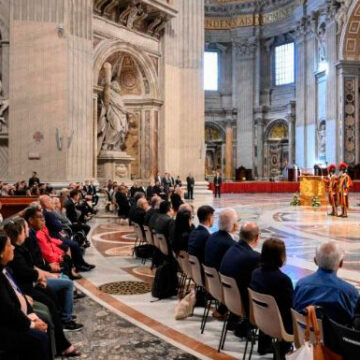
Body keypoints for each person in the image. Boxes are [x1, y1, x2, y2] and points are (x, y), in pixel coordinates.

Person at [3, 218, 82, 355]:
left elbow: (29, 270)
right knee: (48, 305)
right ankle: (62, 341)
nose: (13, 248)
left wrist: (42, 276)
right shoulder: (13, 258)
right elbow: (21, 278)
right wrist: (31, 322)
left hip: (27, 287)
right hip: (25, 290)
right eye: (25, 229)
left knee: (50, 296)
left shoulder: (21, 248)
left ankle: (61, 328)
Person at [0, 232, 51, 360]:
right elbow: (8, 309)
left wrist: (32, 316)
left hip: (19, 316)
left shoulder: (6, 269)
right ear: (0, 253)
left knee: (45, 320)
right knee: (40, 338)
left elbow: (18, 293)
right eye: (8, 245)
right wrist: (31, 324)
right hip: (7, 329)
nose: (12, 248)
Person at [293, 241, 360, 326]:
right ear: (341, 263)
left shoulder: (301, 285)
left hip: (304, 336)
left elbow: (295, 310)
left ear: (315, 261)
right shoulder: (349, 291)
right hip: (335, 338)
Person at [250, 238, 293, 356]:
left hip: (258, 318)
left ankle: (264, 345)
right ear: (281, 257)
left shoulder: (255, 273)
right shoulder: (283, 280)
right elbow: (289, 307)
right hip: (278, 325)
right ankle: (282, 348)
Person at [220, 222, 260, 315]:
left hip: (228, 298)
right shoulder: (254, 257)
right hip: (242, 303)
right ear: (257, 237)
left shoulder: (231, 249)